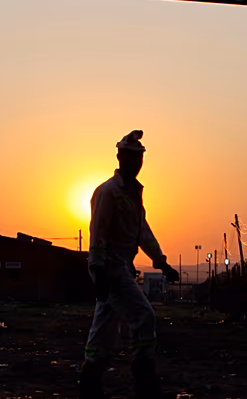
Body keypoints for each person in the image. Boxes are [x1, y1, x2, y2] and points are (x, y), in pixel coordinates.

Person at [80, 130, 180, 398]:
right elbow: (98, 233)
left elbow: (142, 232)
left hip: (122, 266)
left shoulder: (134, 194)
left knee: (104, 329)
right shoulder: (108, 192)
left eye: (140, 158)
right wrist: (98, 270)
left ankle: (90, 379)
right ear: (119, 158)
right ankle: (143, 372)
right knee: (144, 316)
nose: (136, 163)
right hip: (110, 268)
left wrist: (161, 263)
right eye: (131, 157)